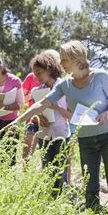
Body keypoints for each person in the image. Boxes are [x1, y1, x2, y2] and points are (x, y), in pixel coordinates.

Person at [4, 40, 108, 209]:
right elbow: (42, 103)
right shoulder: (64, 84)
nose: (60, 64)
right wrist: (17, 121)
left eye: (64, 59)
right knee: (90, 184)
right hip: (85, 139)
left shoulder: (101, 76)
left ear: (76, 58)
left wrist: (106, 113)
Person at [30, 52, 72, 195]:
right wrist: (39, 116)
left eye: (39, 72)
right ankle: (50, 199)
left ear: (49, 69)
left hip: (62, 134)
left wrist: (56, 107)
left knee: (61, 170)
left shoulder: (64, 86)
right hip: (44, 134)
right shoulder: (38, 90)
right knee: (47, 168)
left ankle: (62, 200)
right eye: (35, 73)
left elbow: (71, 115)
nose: (37, 76)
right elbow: (35, 110)